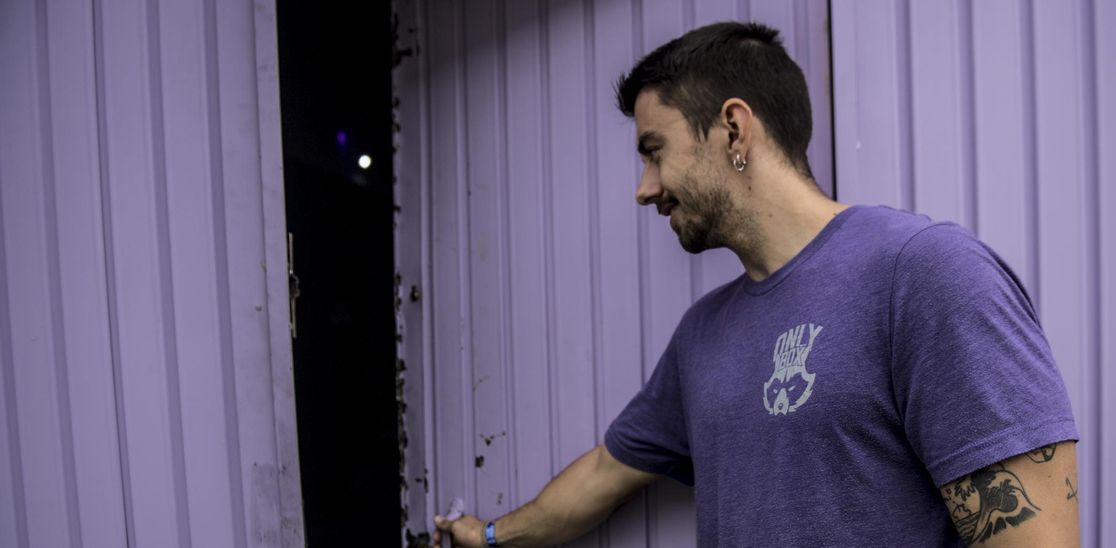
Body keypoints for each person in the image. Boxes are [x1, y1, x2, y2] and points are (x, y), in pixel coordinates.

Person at [432, 21, 1079, 547]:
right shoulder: (704, 335)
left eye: (654, 150)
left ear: (734, 129)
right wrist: (489, 535)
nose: (644, 188)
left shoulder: (922, 274)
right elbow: (608, 470)